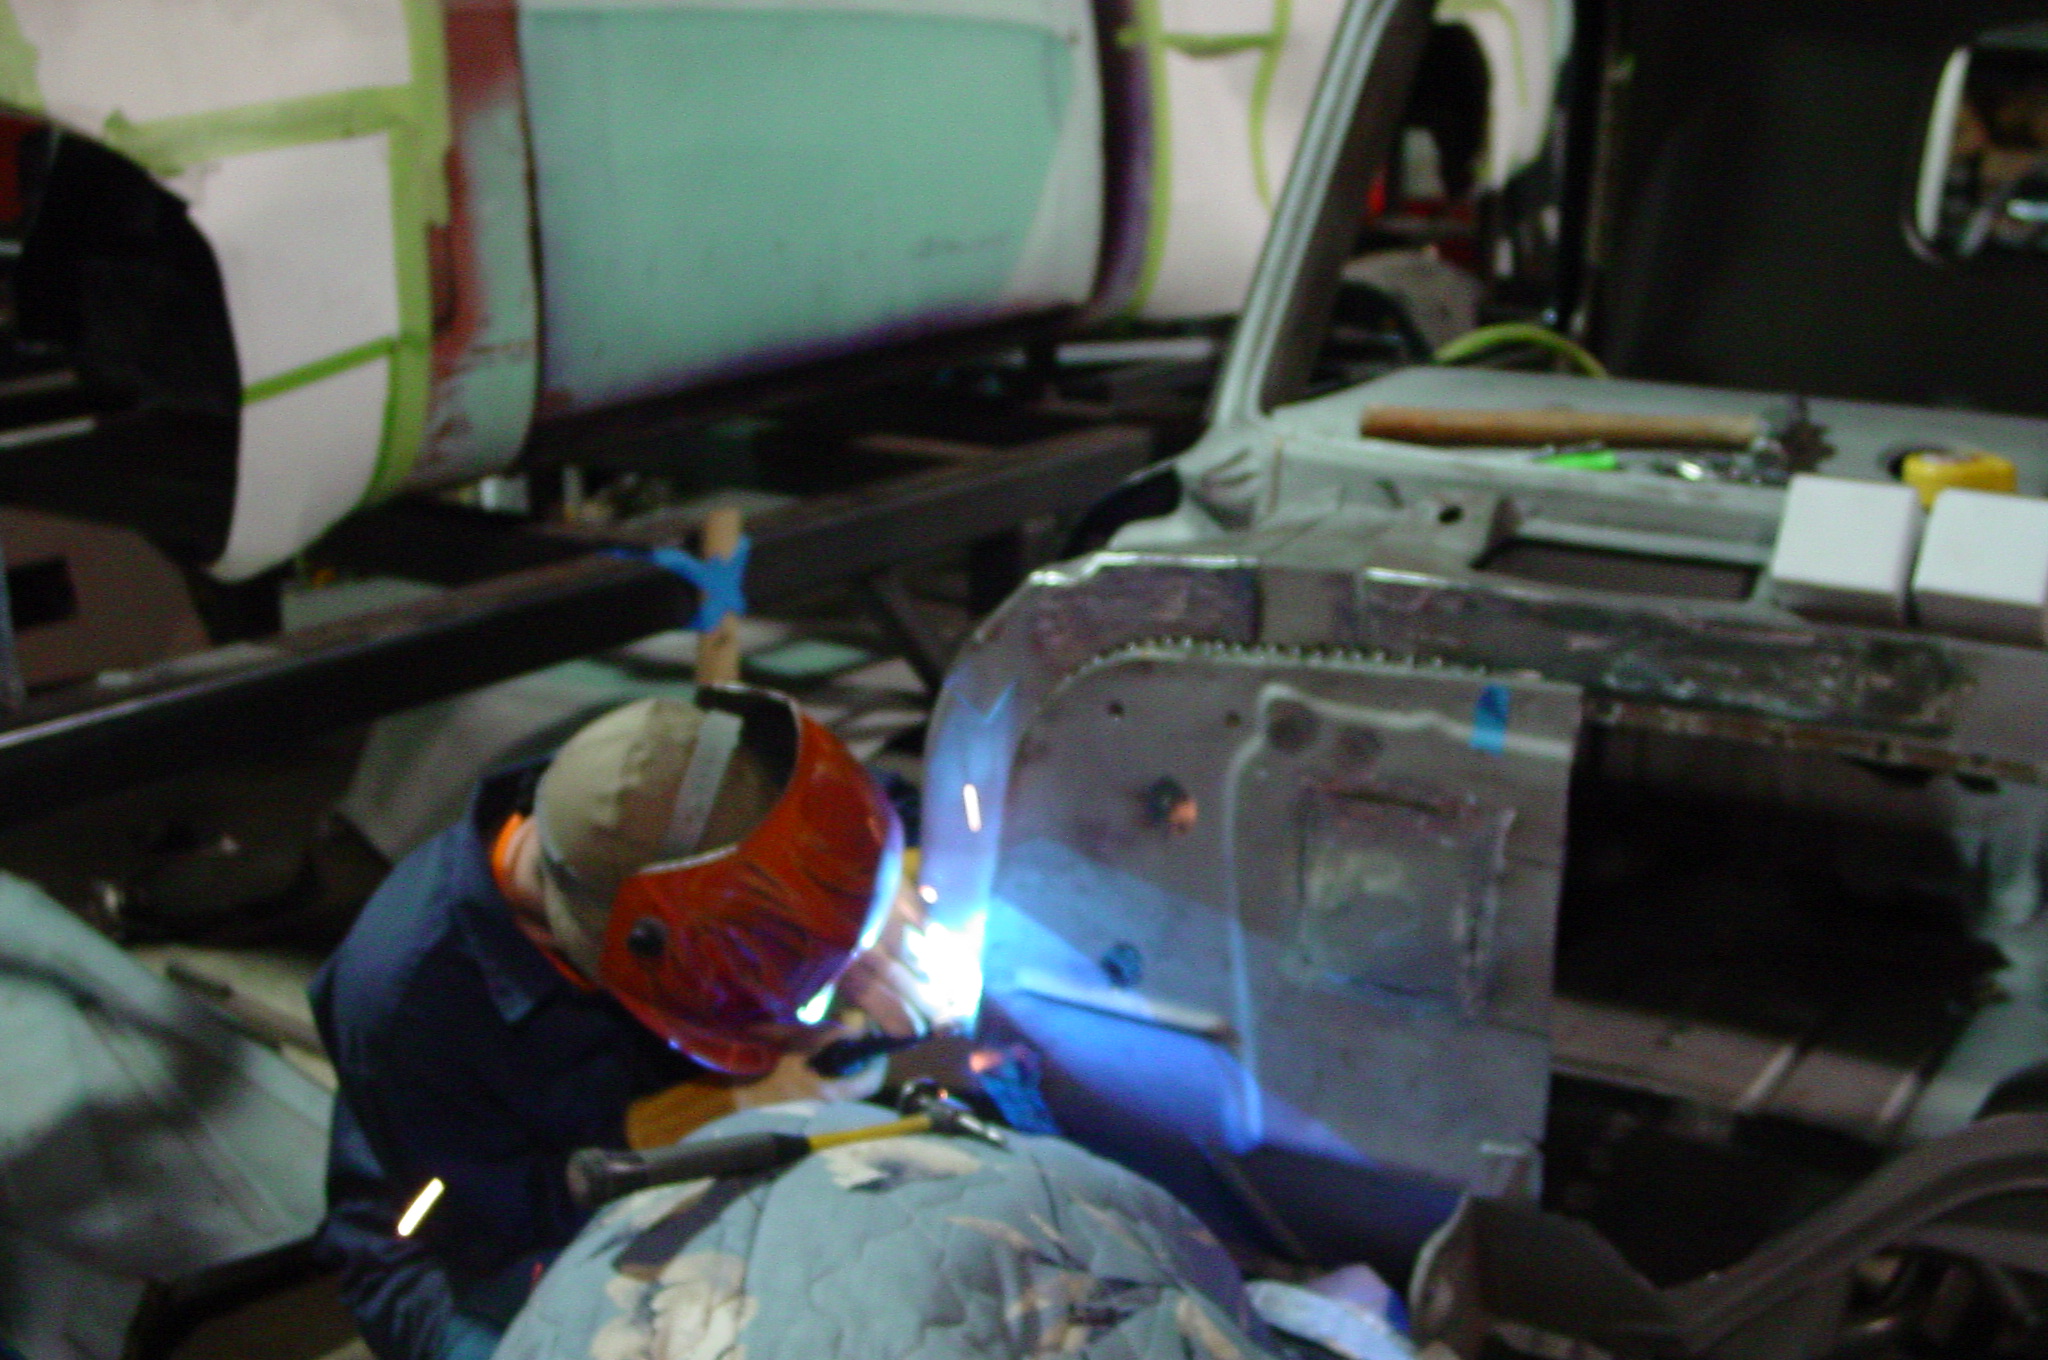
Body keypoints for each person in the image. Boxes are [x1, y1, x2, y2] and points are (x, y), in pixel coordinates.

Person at [312, 687, 935, 1360]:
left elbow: (866, 806)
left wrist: (876, 893)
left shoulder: (650, 774)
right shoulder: (410, 1002)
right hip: (463, 1242)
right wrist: (718, 1113)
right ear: (629, 945)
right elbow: (499, 1223)